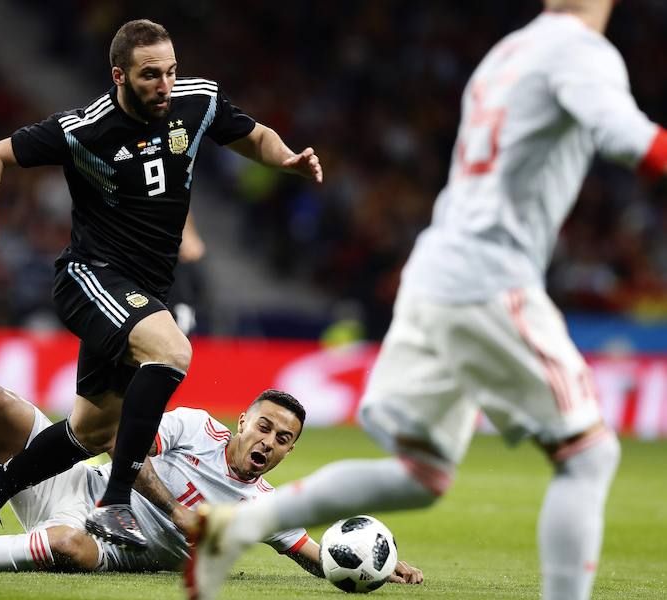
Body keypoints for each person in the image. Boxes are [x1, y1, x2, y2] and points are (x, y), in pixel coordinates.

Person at [184, 2, 667, 599]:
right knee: (589, 456)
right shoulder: (581, 52)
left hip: (434, 272)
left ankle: (242, 521)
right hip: (492, 276)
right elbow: (631, 140)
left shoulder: (505, 56)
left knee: (421, 476)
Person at [0, 19, 322, 550]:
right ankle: (114, 504)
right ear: (120, 76)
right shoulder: (84, 129)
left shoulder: (195, 102)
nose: (165, 85)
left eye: (171, 71)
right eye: (150, 75)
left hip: (144, 290)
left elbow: (256, 137)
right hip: (91, 275)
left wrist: (286, 158)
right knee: (173, 349)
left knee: (91, 430)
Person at [0, 383, 421, 583]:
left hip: (106, 545)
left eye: (283, 440)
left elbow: (319, 556)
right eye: (264, 427)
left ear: (288, 453)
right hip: (75, 484)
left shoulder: (267, 506)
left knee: (68, 545)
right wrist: (174, 506)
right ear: (242, 421)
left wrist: (377, 568)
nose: (268, 443)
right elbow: (125, 446)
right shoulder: (197, 428)